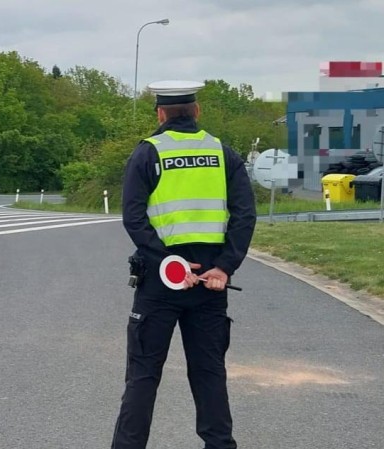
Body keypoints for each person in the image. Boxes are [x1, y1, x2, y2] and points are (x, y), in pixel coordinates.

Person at [110, 80, 256, 449]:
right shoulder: (224, 153)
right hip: (211, 283)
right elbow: (244, 215)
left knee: (143, 377)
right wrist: (225, 267)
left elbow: (134, 218)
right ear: (197, 111)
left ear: (160, 114)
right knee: (210, 376)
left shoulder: (147, 153)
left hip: (160, 283)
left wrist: (169, 262)